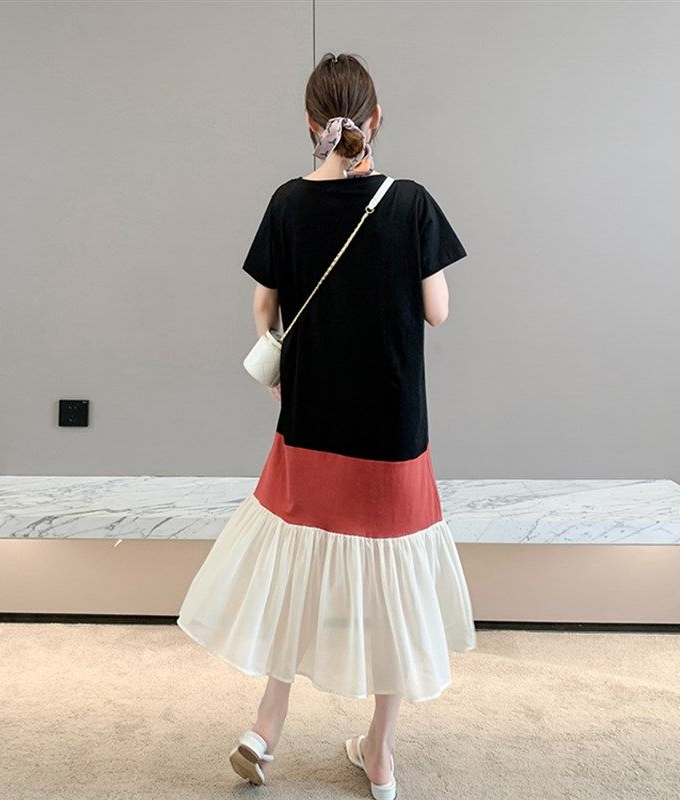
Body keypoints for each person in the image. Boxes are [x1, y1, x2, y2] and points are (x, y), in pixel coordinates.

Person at [176, 52, 476, 800]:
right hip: (392, 430)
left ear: (310, 124)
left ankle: (266, 726)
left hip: (310, 421)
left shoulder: (287, 202)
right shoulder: (410, 203)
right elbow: (438, 311)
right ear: (377, 120)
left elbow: (263, 308)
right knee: (392, 585)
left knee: (297, 569)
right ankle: (380, 755)